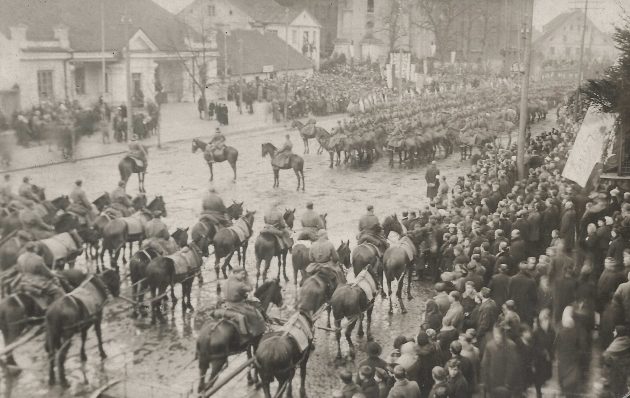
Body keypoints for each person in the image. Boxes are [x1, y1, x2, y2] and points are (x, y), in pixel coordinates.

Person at [221, 269, 266, 337]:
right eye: (242, 274)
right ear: (235, 273)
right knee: (256, 313)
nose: (243, 275)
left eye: (244, 274)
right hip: (237, 305)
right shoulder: (239, 284)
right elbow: (250, 288)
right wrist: (247, 279)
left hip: (227, 304)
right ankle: (256, 333)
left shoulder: (226, 282)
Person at [480, 324, 519, 397]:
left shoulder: (511, 346)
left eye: (498, 337)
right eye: (495, 336)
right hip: (492, 383)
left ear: (503, 335)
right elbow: (485, 365)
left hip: (506, 384)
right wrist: (485, 382)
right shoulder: (489, 346)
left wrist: (508, 383)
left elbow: (513, 365)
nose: (496, 339)